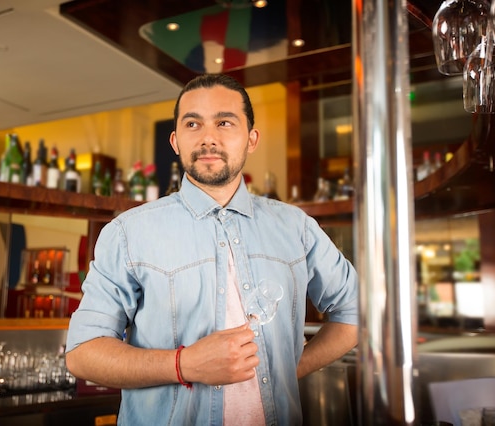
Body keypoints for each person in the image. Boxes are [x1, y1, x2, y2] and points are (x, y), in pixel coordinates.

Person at [65, 74, 358, 425]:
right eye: (193, 123)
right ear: (175, 140)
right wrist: (185, 364)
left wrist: (287, 370)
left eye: (224, 122)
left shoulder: (297, 228)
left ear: (251, 139)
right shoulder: (128, 233)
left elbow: (355, 313)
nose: (208, 138)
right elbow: (82, 354)